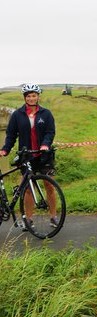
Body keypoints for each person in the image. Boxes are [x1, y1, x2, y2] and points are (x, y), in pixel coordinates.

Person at [0, 83, 58, 229]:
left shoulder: (46, 114)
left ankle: (53, 217)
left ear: (38, 96)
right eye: (29, 96)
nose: (32, 98)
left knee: (49, 185)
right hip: (27, 156)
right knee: (27, 188)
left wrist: (45, 144)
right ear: (25, 98)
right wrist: (5, 149)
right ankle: (29, 219)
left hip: (44, 155)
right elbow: (11, 135)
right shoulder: (17, 115)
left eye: (34, 95)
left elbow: (50, 132)